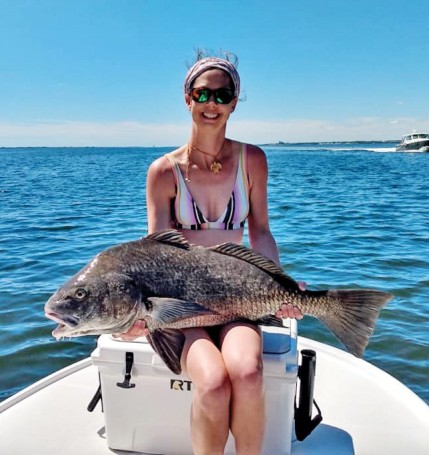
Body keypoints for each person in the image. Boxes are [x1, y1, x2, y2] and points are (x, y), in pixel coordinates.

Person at [120, 53, 303, 455]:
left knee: (248, 372)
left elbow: (260, 231)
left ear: (235, 102)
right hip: (178, 307)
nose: (212, 104)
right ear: (187, 98)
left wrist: (280, 285)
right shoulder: (163, 172)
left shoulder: (253, 160)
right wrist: (139, 316)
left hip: (236, 295)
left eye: (223, 94)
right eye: (203, 93)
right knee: (214, 380)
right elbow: (157, 255)